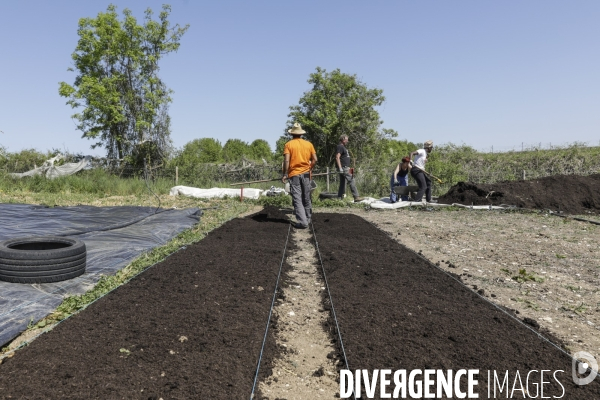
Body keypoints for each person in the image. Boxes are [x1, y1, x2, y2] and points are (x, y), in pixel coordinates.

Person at [282, 122, 317, 229]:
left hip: (294, 175)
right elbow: (315, 159)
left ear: (292, 134)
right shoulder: (309, 144)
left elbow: (287, 161)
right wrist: (310, 168)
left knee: (297, 198)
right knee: (306, 196)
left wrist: (285, 174)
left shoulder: (288, 145)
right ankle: (308, 218)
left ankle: (303, 222)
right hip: (306, 174)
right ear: (301, 134)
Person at [335, 135, 364, 202]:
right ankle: (356, 197)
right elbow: (337, 157)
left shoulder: (343, 147)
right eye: (346, 139)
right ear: (343, 139)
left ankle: (339, 198)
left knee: (342, 183)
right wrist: (340, 168)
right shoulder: (340, 147)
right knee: (351, 180)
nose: (347, 141)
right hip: (344, 168)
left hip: (345, 167)